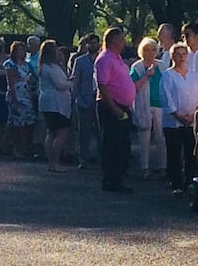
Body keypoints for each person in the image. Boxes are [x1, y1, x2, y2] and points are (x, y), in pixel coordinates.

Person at [95, 26, 136, 193]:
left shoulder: (117, 58)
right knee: (112, 144)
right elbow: (102, 84)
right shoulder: (104, 59)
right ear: (113, 40)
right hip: (111, 106)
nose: (124, 42)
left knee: (122, 144)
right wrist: (113, 107)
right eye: (121, 39)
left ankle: (118, 177)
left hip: (122, 105)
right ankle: (111, 180)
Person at [160, 43, 198, 195]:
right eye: (177, 54)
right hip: (173, 122)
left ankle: (190, 182)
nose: (181, 57)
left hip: (191, 121)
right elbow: (166, 98)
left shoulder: (194, 75)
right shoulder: (167, 75)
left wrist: (194, 115)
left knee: (191, 153)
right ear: (172, 57)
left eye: (183, 54)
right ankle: (176, 183)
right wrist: (178, 115)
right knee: (174, 153)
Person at [130, 37, 167, 180]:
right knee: (144, 136)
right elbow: (134, 87)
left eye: (152, 49)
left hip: (160, 105)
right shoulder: (137, 67)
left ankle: (163, 167)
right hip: (144, 104)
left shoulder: (162, 66)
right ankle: (145, 167)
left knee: (161, 137)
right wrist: (146, 75)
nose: (150, 53)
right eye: (146, 49)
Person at [38, 40, 74, 172]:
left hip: (49, 103)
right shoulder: (50, 68)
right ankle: (55, 161)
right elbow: (60, 85)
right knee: (61, 132)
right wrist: (72, 82)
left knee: (51, 132)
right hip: (55, 103)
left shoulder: (47, 66)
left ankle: (51, 162)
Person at [71, 33, 101, 169]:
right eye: (90, 43)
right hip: (84, 100)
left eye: (95, 43)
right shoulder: (80, 61)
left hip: (101, 100)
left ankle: (103, 158)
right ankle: (83, 158)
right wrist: (74, 98)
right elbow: (76, 80)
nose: (92, 45)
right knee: (84, 132)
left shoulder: (103, 59)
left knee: (101, 131)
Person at [5, 41, 36, 158]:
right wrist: (14, 98)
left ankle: (26, 147)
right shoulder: (10, 64)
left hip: (27, 94)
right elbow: (11, 82)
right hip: (16, 95)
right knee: (17, 123)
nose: (21, 52)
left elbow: (33, 78)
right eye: (19, 50)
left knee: (29, 122)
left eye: (23, 50)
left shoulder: (27, 65)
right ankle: (16, 148)